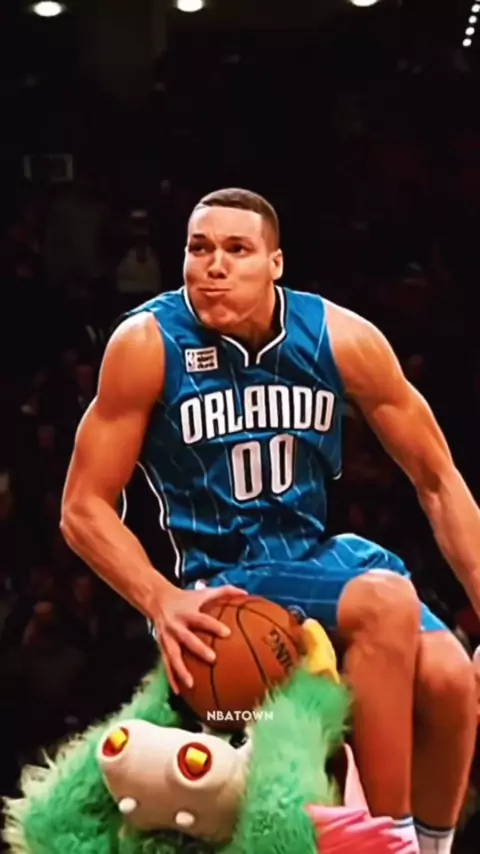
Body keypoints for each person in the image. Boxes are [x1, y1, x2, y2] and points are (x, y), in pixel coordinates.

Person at [60, 188, 479, 854]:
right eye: (199, 249)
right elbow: (82, 506)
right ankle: (388, 843)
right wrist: (159, 598)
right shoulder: (147, 343)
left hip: (312, 554)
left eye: (237, 249)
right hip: (223, 579)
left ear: (275, 263)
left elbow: (438, 480)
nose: (214, 266)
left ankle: (433, 846)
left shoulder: (340, 338)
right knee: (385, 601)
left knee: (453, 680)